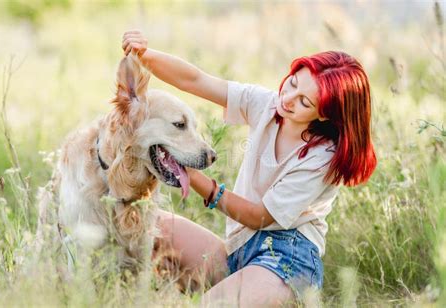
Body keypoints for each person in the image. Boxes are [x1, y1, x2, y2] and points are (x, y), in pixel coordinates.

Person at [122, 30, 377, 307]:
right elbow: (195, 80)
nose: (288, 98)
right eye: (292, 83)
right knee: (142, 221)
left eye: (304, 101)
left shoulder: (321, 157)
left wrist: (191, 175)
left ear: (325, 113)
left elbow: (259, 217)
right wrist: (145, 55)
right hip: (238, 252)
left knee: (209, 306)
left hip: (286, 261)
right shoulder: (267, 105)